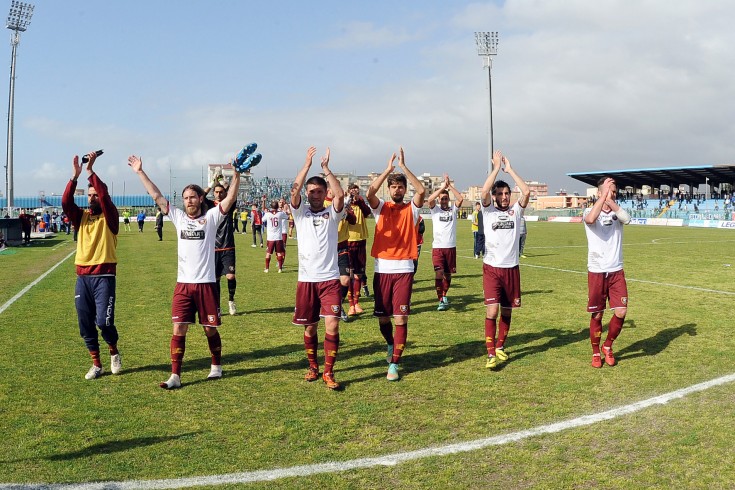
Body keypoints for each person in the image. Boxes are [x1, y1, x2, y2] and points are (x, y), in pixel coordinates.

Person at [129, 154, 240, 389]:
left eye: (192, 197)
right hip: (183, 285)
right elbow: (156, 196)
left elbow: (229, 200)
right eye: (185, 198)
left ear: (201, 198)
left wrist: (237, 174)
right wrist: (140, 172)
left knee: (210, 329)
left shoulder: (211, 217)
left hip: (207, 284)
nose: (189, 201)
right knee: (178, 328)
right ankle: (175, 376)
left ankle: (216, 366)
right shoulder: (178, 217)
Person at [366, 147, 426, 381]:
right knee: (383, 318)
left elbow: (421, 190)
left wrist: (403, 167)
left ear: (404, 189)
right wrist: (388, 170)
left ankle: (394, 364)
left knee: (400, 318)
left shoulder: (412, 209)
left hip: (403, 270)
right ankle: (391, 344)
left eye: (401, 186)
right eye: (394, 186)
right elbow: (369, 192)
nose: (398, 189)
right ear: (389, 189)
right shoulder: (381, 208)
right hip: (382, 270)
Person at [61, 151, 122, 380]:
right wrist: (75, 176)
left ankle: (114, 352)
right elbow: (66, 202)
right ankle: (96, 364)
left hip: (104, 277)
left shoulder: (111, 217)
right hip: (82, 278)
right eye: (89, 195)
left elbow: (105, 195)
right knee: (85, 324)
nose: (92, 198)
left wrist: (90, 171)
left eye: (95, 195)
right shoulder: (81, 217)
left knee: (104, 323)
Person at [290, 146, 346, 390]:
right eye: (311, 191)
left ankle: (328, 371)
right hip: (307, 280)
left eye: (319, 191)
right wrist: (306, 165)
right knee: (310, 327)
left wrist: (325, 170)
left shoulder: (332, 214)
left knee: (332, 324)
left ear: (325, 194)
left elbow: (341, 195)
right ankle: (313, 366)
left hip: (330, 279)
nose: (314, 195)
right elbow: (294, 191)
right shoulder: (300, 213)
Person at [480, 150, 530, 369]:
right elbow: (483, 192)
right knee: (492, 310)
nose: (503, 197)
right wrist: (496, 168)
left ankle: (500, 346)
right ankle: (490, 353)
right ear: (495, 196)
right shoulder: (488, 211)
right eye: (499, 194)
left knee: (507, 311)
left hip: (512, 269)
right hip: (492, 268)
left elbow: (526, 191)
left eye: (506, 193)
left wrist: (509, 169)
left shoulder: (515, 212)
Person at [583, 177, 631, 368]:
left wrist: (610, 201)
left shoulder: (617, 212)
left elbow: (627, 219)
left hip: (616, 271)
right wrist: (603, 198)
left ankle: (608, 346)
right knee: (598, 315)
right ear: (599, 193)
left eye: (614, 191)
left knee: (621, 311)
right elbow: (590, 219)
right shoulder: (589, 210)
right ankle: (595, 352)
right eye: (608, 190)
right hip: (596, 271)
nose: (612, 193)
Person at [203, 176, 239, 316]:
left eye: (221, 192)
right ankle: (217, 306)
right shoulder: (209, 205)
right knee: (216, 279)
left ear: (225, 193)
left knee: (230, 276)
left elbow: (233, 193)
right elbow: (201, 196)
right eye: (216, 192)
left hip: (228, 247)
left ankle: (231, 301)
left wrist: (231, 179)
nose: (218, 194)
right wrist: (211, 184)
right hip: (213, 248)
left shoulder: (228, 205)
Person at [427, 174, 464, 311]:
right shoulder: (435, 210)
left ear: (448, 200)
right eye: (441, 199)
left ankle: (444, 294)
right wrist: (442, 187)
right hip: (437, 248)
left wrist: (450, 187)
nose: (443, 201)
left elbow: (460, 198)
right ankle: (441, 300)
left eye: (445, 199)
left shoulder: (453, 210)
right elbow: (429, 199)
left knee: (448, 275)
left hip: (451, 248)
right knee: (439, 273)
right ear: (439, 200)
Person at [346, 183, 373, 314]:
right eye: (352, 190)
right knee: (350, 275)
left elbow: (368, 212)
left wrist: (360, 201)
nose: (354, 192)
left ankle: (357, 303)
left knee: (358, 275)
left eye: (356, 190)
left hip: (361, 241)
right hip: (348, 241)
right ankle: (351, 304)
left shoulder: (361, 203)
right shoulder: (346, 204)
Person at [262, 200, 287, 273]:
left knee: (268, 253)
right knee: (279, 253)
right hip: (278, 237)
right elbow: (287, 216)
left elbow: (262, 220)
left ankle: (267, 269)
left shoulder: (268, 214)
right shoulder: (280, 214)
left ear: (271, 206)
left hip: (270, 237)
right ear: (277, 206)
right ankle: (280, 268)